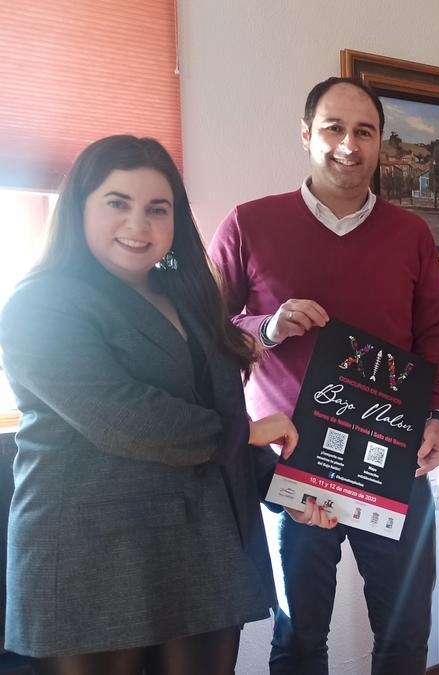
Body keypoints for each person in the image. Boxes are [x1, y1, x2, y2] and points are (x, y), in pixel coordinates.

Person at [0, 135, 319, 674]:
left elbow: (220, 409)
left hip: (207, 543)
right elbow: (123, 416)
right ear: (78, 207)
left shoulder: (191, 299)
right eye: (117, 203)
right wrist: (244, 434)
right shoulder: (40, 302)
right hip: (96, 554)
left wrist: (284, 490)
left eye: (157, 209)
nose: (138, 225)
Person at [209, 77, 439, 673]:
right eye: (334, 129)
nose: (349, 144)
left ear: (380, 145)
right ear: (306, 136)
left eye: (364, 132)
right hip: (291, 464)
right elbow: (204, 334)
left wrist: (437, 417)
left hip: (392, 459)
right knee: (298, 640)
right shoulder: (248, 224)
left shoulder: (411, 233)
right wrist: (267, 328)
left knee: (404, 637)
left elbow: (435, 337)